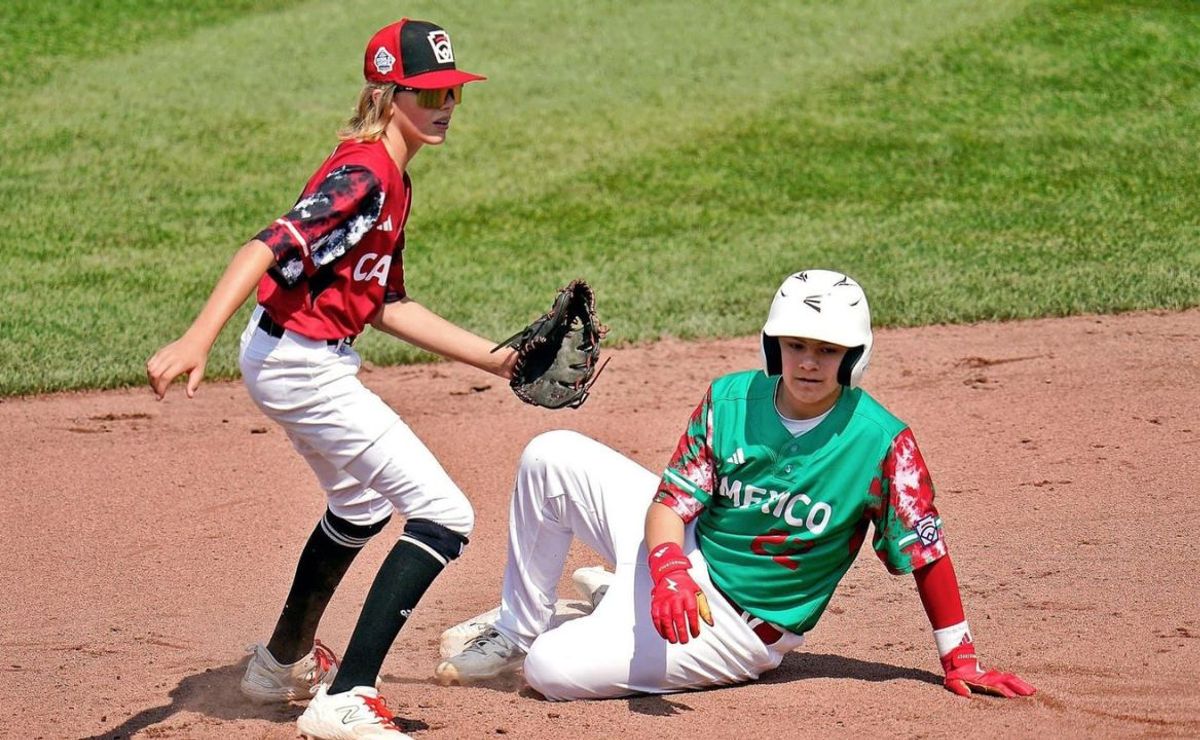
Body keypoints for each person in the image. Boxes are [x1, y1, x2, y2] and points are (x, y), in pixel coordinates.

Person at [435, 269, 1037, 702]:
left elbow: (927, 554)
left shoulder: (884, 444)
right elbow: (672, 503)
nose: (807, 362)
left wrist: (960, 659)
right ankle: (519, 625)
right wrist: (668, 568)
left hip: (732, 629)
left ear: (854, 357)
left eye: (827, 351)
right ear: (773, 346)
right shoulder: (731, 398)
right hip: (683, 563)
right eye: (795, 345)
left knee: (551, 671)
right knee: (552, 453)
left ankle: (604, 609)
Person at [147, 18, 507, 739]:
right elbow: (269, 243)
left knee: (362, 504)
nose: (443, 106)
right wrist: (197, 337)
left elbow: (386, 304)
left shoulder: (393, 178)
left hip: (297, 358)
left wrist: (498, 360)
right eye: (428, 92)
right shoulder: (365, 172)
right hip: (302, 365)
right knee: (445, 513)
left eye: (452, 94)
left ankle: (280, 664)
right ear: (388, 92)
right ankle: (348, 696)